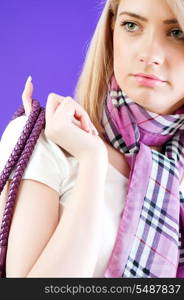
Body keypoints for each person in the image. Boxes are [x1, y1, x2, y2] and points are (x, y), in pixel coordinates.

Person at [0, 0, 184, 278]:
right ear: (112, 32)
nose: (149, 54)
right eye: (131, 25)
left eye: (177, 33)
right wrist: (92, 161)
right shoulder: (49, 141)